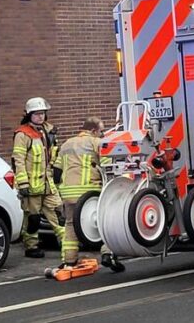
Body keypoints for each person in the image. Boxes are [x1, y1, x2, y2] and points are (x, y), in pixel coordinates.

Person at [55, 117, 125, 272]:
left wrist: (59, 190)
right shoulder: (97, 143)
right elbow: (108, 167)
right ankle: (108, 254)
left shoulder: (66, 144)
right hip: (89, 191)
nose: (102, 134)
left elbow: (56, 171)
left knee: (70, 225)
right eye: (101, 131)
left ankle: (69, 261)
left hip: (67, 192)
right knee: (105, 222)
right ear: (93, 131)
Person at [12, 97, 64, 258]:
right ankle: (31, 246)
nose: (40, 117)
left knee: (58, 212)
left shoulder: (49, 131)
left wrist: (57, 170)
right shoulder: (23, 134)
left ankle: (67, 244)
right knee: (33, 219)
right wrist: (23, 184)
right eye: (37, 114)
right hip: (32, 186)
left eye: (42, 113)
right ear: (29, 115)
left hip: (48, 183)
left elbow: (56, 153)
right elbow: (18, 160)